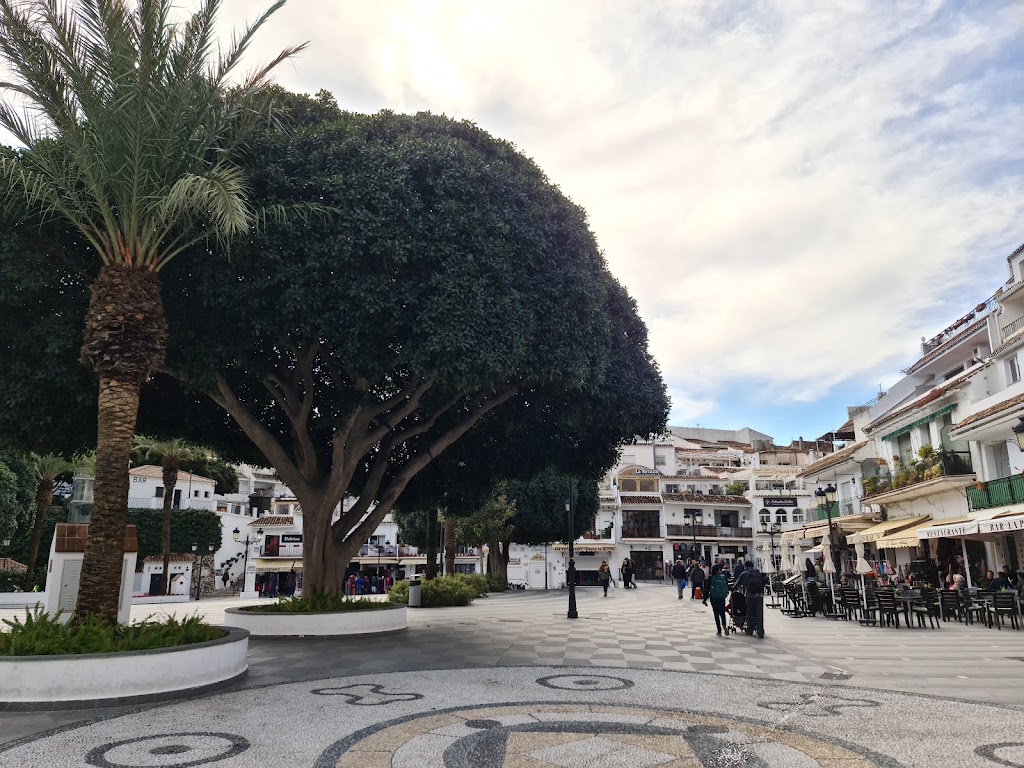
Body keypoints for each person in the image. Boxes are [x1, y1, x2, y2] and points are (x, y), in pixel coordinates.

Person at [736, 560, 766, 638]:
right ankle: (760, 631)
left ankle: (750, 630)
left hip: (750, 596)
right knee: (759, 613)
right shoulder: (758, 573)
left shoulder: (744, 573)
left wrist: (733, 588)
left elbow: (738, 583)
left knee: (750, 613)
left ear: (745, 566)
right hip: (759, 596)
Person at [703, 564, 730, 636]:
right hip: (721, 597)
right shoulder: (723, 577)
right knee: (722, 612)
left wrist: (704, 599)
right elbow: (727, 586)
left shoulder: (711, 577)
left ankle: (719, 630)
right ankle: (724, 624)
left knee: (716, 613)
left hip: (714, 597)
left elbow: (707, 589)